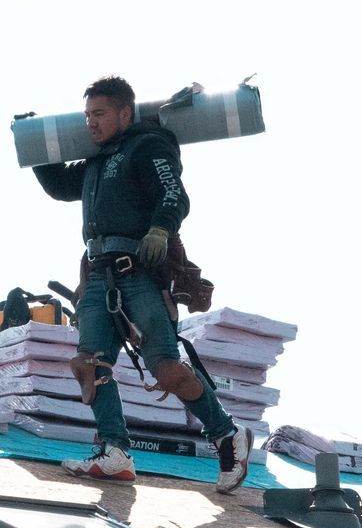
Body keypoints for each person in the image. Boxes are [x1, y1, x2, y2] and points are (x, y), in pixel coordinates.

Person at [32, 76, 252, 492]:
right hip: (98, 276)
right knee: (88, 363)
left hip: (140, 274)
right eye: (86, 116)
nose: (90, 124)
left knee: (166, 370)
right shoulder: (98, 160)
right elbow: (61, 186)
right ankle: (115, 452)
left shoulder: (148, 144)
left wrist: (159, 229)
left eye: (99, 114)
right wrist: (36, 147)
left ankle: (227, 435)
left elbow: (174, 195)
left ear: (124, 113)